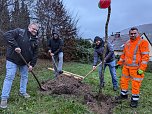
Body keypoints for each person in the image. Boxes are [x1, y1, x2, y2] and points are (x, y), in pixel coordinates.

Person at [0, 23, 39, 109]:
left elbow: (35, 54)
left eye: (36, 30)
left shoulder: (35, 41)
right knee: (9, 77)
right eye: (33, 28)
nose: (35, 31)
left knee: (24, 77)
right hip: (12, 59)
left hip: (24, 62)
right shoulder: (19, 32)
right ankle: (4, 98)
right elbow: (7, 35)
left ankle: (22, 92)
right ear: (29, 27)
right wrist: (16, 46)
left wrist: (32, 65)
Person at [116, 27, 149, 108]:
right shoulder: (127, 43)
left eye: (135, 33)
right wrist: (119, 63)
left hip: (136, 69)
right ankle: (124, 95)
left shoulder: (143, 42)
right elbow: (124, 54)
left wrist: (142, 69)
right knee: (124, 81)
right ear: (129, 34)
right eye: (131, 33)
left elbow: (145, 57)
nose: (133, 35)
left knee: (135, 84)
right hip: (126, 67)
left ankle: (134, 100)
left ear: (138, 33)